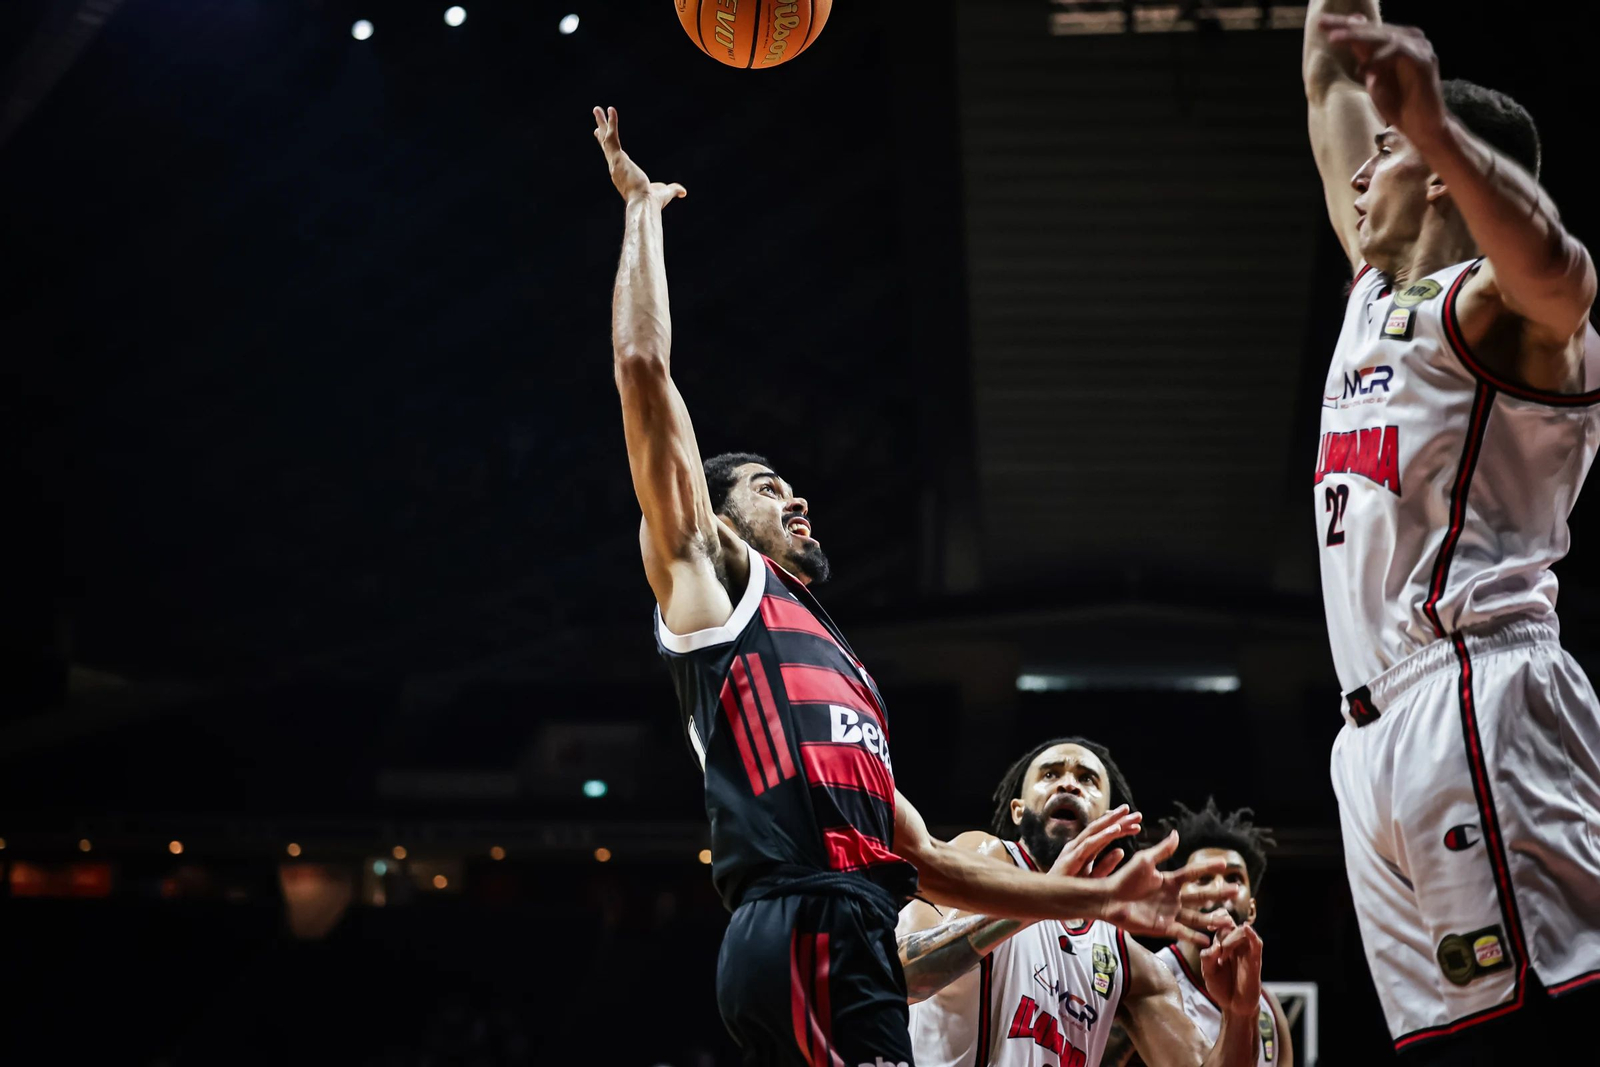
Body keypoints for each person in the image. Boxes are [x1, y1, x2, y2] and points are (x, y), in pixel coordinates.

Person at [593, 108, 1233, 1067]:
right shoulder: (718, 588)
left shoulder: (840, 664)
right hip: (801, 919)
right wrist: (642, 212)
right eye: (770, 487)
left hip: (851, 929)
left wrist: (1097, 898)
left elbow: (931, 865)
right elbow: (643, 369)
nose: (797, 495)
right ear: (716, 517)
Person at [1303, 4, 1600, 1060]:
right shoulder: (1374, 293)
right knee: (1451, 1031)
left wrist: (1426, 119)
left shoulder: (1497, 311)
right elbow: (1329, 74)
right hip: (1369, 732)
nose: (1352, 171)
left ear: (1436, 170)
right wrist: (1378, 89)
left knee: (1554, 1005)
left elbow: (1563, 276)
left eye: (1381, 154)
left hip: (1477, 690)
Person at [898, 738, 1265, 1067]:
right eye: (1049, 774)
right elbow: (900, 974)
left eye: (1087, 779)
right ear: (1019, 811)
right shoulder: (982, 856)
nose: (1068, 783)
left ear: (1107, 818)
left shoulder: (1125, 958)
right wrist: (1041, 901)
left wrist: (1240, 1013)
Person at [1106, 800, 1293, 1067]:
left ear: (1252, 909)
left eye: (1234, 878)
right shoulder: (1144, 979)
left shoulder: (1268, 1007)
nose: (1220, 888)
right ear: (1177, 899)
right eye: (1204, 878)